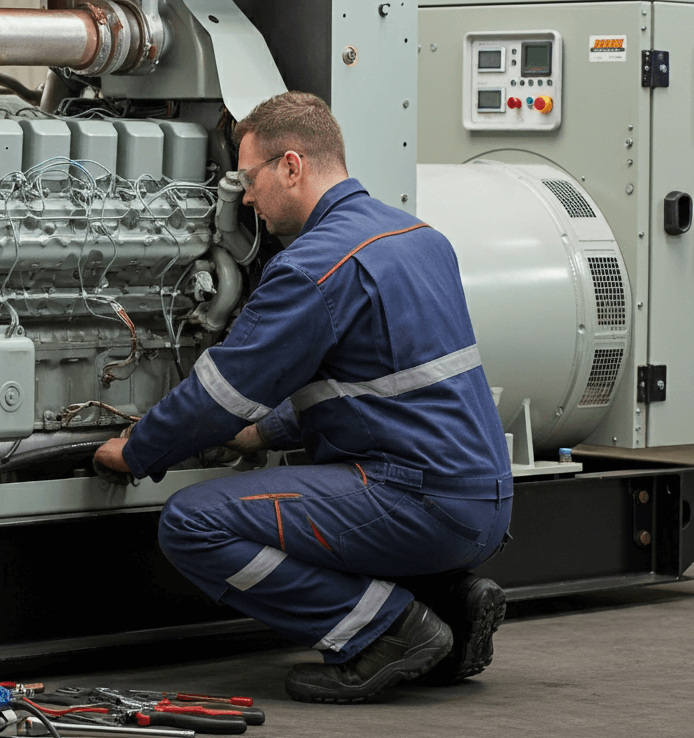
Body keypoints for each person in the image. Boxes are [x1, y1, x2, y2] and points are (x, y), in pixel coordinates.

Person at [94, 90, 512, 703]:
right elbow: (381, 387)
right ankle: (449, 602)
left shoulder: (313, 267)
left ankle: (390, 630)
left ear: (291, 166)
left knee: (192, 524)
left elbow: (219, 396)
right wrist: (266, 432)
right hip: (485, 504)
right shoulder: (419, 236)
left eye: (249, 179)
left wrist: (134, 453)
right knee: (312, 481)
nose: (246, 198)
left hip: (418, 500)